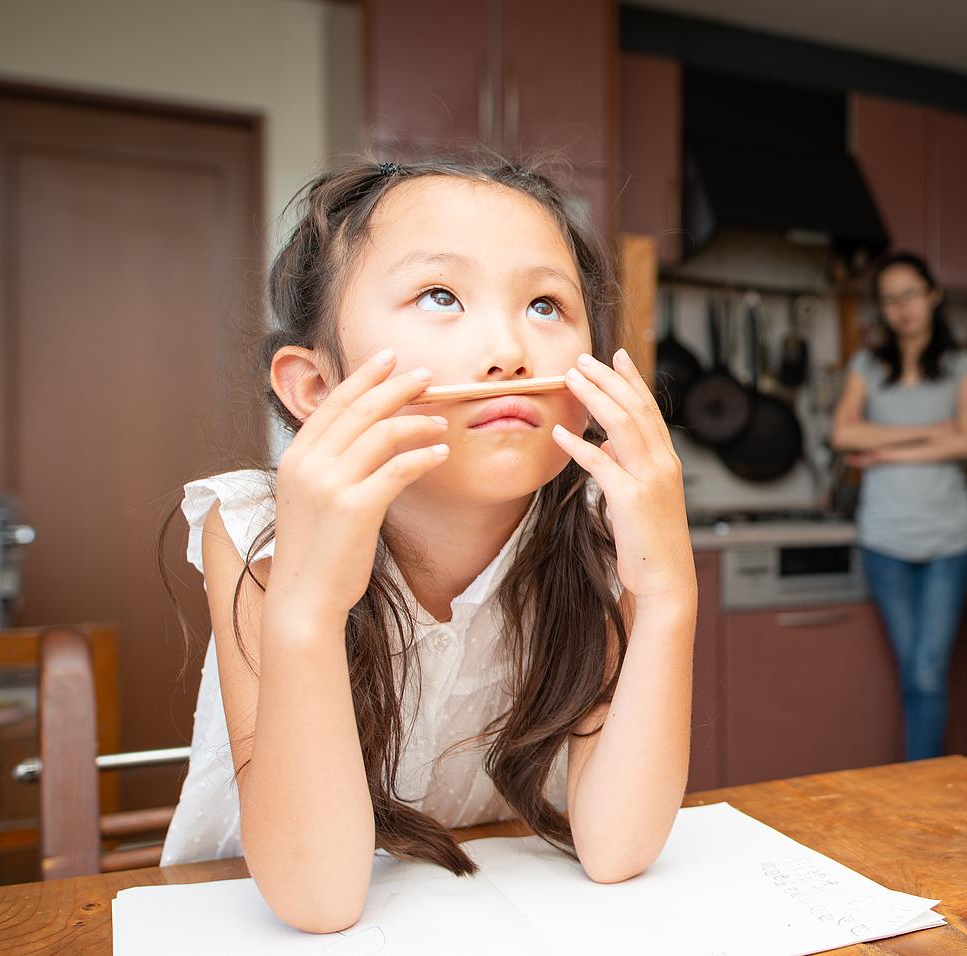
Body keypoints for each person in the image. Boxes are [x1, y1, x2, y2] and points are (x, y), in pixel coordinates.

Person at [157, 158, 695, 933]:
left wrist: (667, 593)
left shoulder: (595, 528)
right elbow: (316, 901)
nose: (511, 351)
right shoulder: (253, 530)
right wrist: (309, 605)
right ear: (314, 389)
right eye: (440, 295)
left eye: (546, 304)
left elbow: (617, 848)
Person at [830, 251, 967, 762]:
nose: (902, 308)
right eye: (890, 299)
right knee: (913, 671)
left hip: (949, 538)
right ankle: (922, 781)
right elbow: (843, 432)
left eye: (911, 294)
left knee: (927, 671)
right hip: (885, 539)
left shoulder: (961, 365)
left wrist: (885, 452)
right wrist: (930, 431)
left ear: (933, 295)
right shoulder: (868, 365)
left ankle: (924, 784)